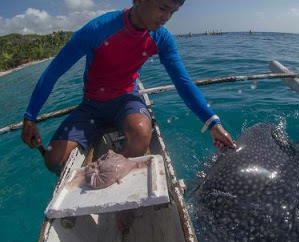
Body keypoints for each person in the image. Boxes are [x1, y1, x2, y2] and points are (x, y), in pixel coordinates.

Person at [21, 0, 236, 175]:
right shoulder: (97, 30)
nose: (167, 17)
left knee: (142, 135)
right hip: (91, 105)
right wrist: (30, 117)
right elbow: (54, 72)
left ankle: (109, 175)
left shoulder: (161, 38)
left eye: (173, 11)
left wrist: (213, 123)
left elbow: (183, 82)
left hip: (126, 99)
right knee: (53, 160)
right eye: (163, 8)